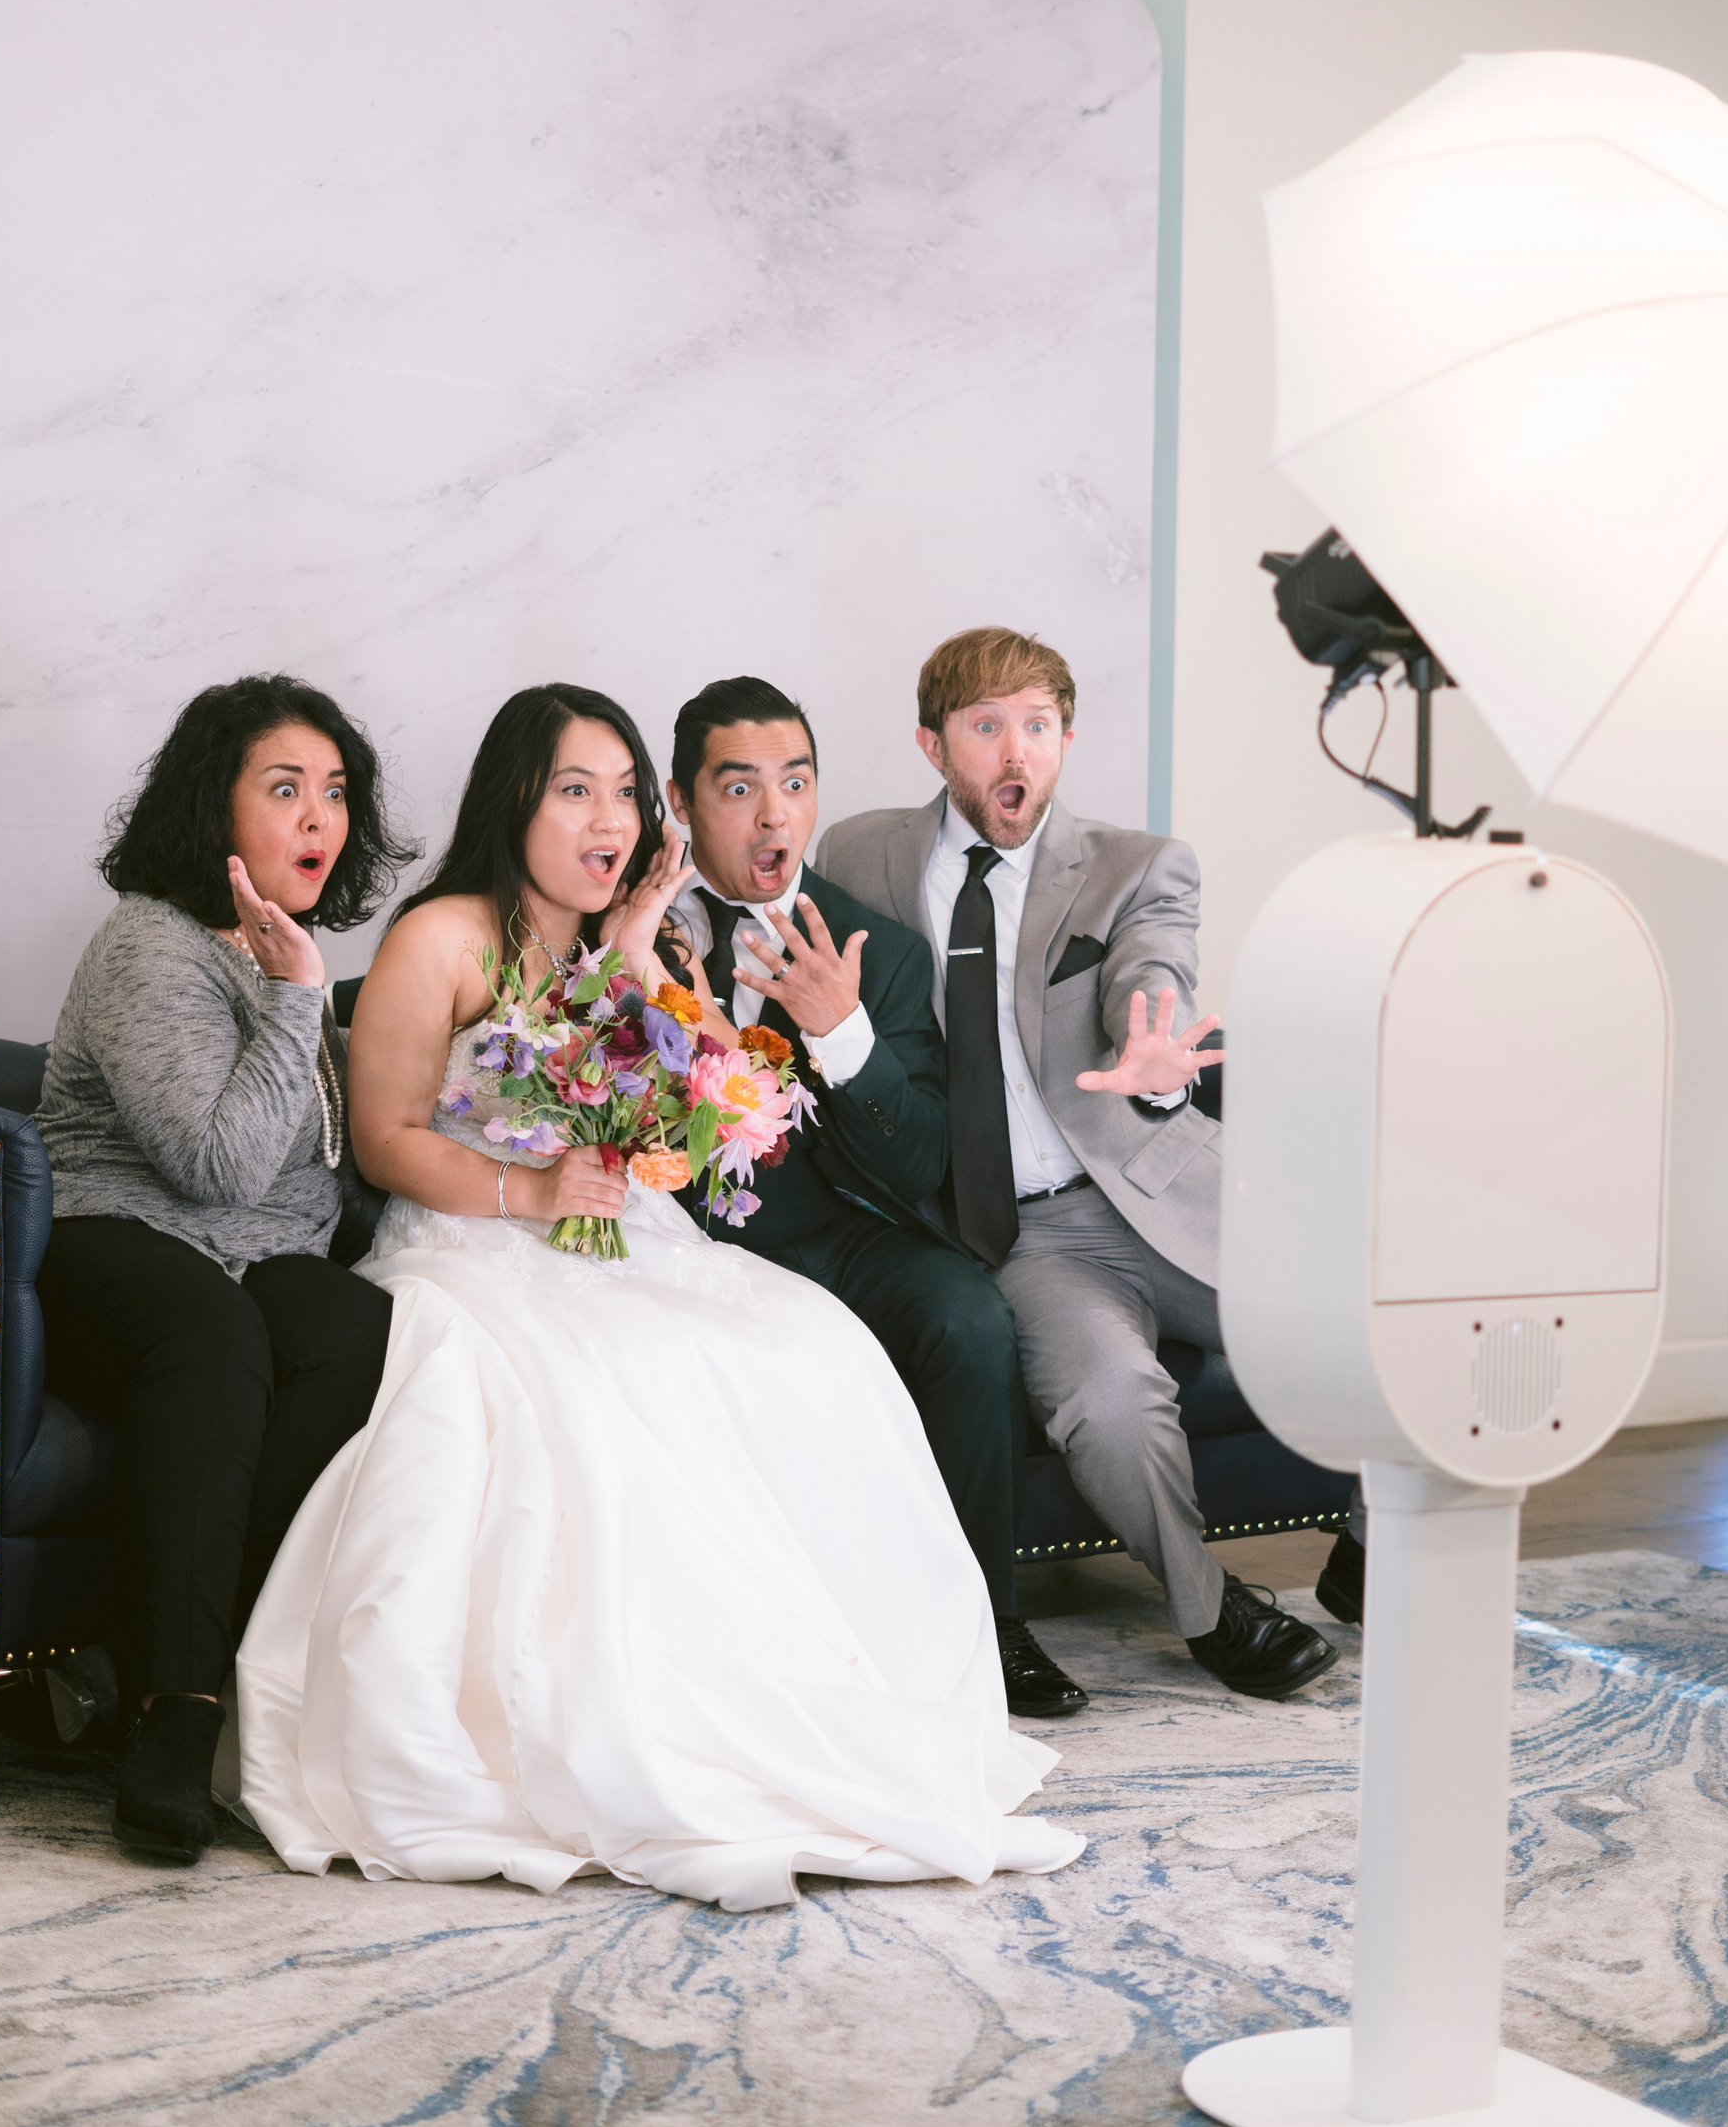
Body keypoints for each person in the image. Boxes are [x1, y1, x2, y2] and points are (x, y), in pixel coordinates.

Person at [232, 683, 1083, 1910]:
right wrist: (529, 1193)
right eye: (576, 792)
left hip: (624, 1235)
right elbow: (384, 1138)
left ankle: (845, 1688)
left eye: (625, 794)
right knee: (620, 1384)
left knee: (812, 1347)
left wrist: (637, 957)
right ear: (515, 802)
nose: (609, 820)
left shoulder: (632, 938)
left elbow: (706, 1107)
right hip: (476, 1239)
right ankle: (653, 1716)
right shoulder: (442, 937)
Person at [819, 625, 1354, 1702]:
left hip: (1165, 1180)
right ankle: (1211, 1611)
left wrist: (1153, 1053)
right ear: (933, 745)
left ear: (1066, 739)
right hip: (1027, 1236)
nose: (1016, 750)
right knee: (1112, 1403)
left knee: (1364, 1322)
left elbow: (1152, 968)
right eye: (986, 727)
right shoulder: (859, 857)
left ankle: (1377, 1543)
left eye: (1038, 725)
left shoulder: (1136, 865)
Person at [36, 674, 414, 1861]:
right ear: (215, 807)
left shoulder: (282, 951)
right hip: (115, 1239)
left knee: (359, 1331)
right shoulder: (150, 946)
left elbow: (328, 1169)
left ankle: (157, 1655)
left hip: (258, 1259)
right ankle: (175, 1715)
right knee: (212, 1337)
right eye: (285, 788)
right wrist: (303, 1001)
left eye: (335, 793)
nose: (318, 818)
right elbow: (217, 1164)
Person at [661, 675, 1085, 1721]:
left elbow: (925, 1160)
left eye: (796, 784)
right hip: (678, 1241)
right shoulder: (630, 934)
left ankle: (990, 1621)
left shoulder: (876, 949)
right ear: (679, 802)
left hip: (839, 1235)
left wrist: (842, 1033)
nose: (775, 817)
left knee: (967, 1318)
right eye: (740, 789)